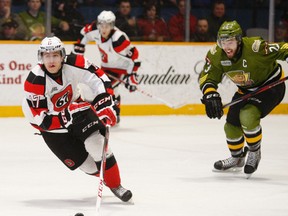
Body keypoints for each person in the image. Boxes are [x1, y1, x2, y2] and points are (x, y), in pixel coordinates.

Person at [22, 36, 133, 202]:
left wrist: (105, 102)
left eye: (55, 55)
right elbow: (43, 121)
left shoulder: (75, 62)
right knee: (88, 166)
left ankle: (116, 184)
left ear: (62, 55)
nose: (51, 60)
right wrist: (66, 115)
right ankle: (106, 174)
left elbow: (99, 78)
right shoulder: (34, 81)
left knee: (96, 144)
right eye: (47, 56)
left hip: (77, 109)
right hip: (52, 129)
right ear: (41, 57)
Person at [199, 20, 287, 178]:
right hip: (245, 89)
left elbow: (282, 49)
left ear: (239, 40)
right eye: (222, 42)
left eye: (230, 42)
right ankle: (237, 157)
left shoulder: (255, 47)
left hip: (271, 86)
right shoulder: (216, 54)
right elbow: (207, 77)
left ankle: (254, 152)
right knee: (231, 126)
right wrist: (210, 93)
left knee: (248, 115)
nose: (226, 47)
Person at [73, 10, 141, 123]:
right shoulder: (94, 29)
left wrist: (132, 75)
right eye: (101, 25)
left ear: (112, 25)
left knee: (107, 88)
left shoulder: (119, 40)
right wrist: (79, 51)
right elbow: (83, 33)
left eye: (107, 25)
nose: (104, 29)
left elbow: (135, 56)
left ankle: (112, 112)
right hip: (105, 67)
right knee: (105, 88)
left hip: (121, 68)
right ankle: (115, 113)